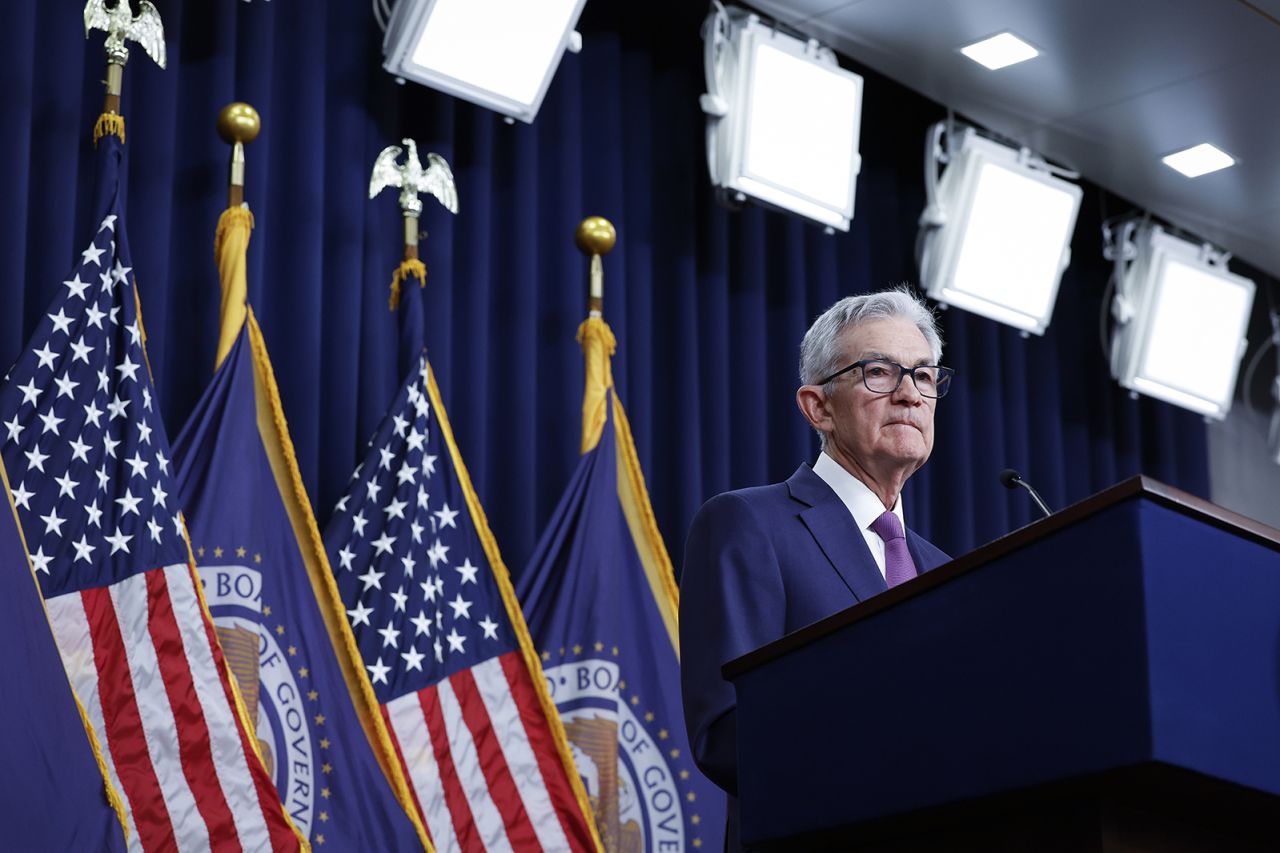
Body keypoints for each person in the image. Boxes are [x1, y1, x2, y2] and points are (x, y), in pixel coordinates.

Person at [679, 286, 955, 850]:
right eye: (879, 372)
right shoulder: (749, 524)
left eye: (924, 376)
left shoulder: (947, 573)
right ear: (818, 407)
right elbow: (730, 733)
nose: (909, 394)